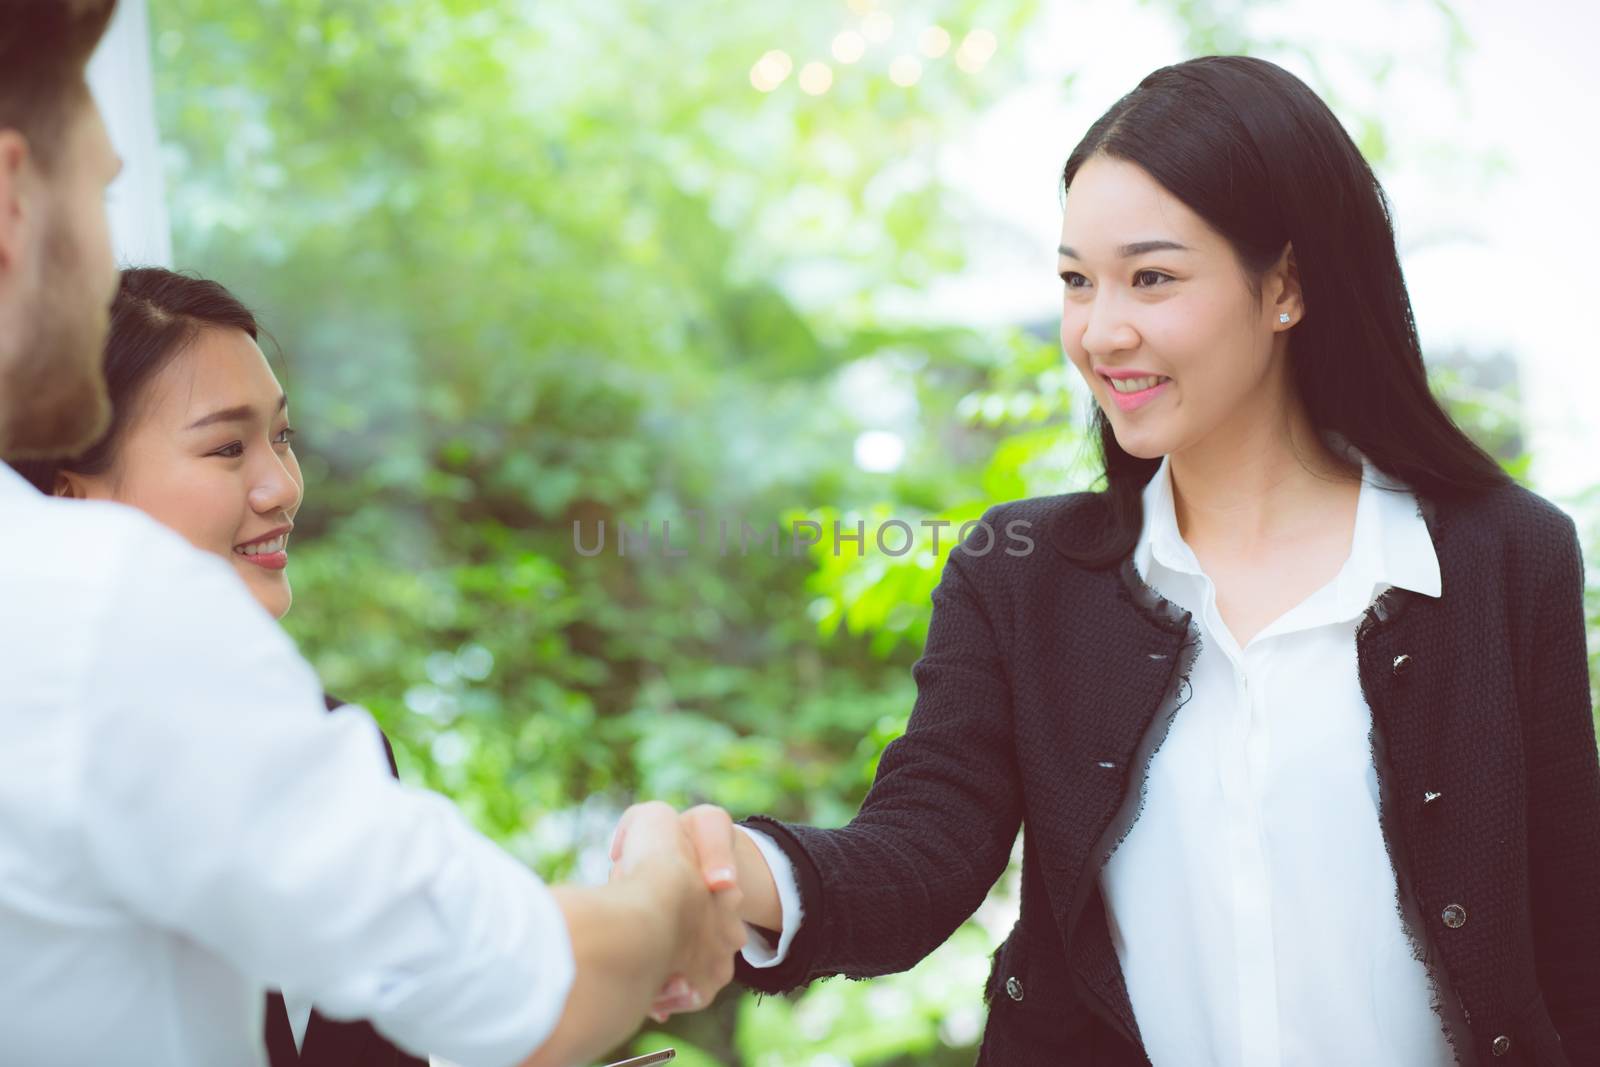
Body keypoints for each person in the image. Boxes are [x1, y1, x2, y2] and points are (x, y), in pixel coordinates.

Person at [618, 55, 1600, 1064]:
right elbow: (921, 848)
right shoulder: (1022, 575)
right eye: (1075, 281)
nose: (1098, 331)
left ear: (1286, 287)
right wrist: (735, 867)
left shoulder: (1499, 556)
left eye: (1151, 277)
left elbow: (1571, 938)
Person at [0, 4, 743, 1066]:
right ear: (12, 199)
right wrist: (667, 872)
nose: (280, 487)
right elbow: (531, 988)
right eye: (101, 194)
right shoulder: (90, 608)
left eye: (283, 439)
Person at [12, 265, 424, 1066]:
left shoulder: (332, 744)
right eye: (228, 446)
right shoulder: (31, 772)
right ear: (71, 498)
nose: (284, 487)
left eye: (282, 438)